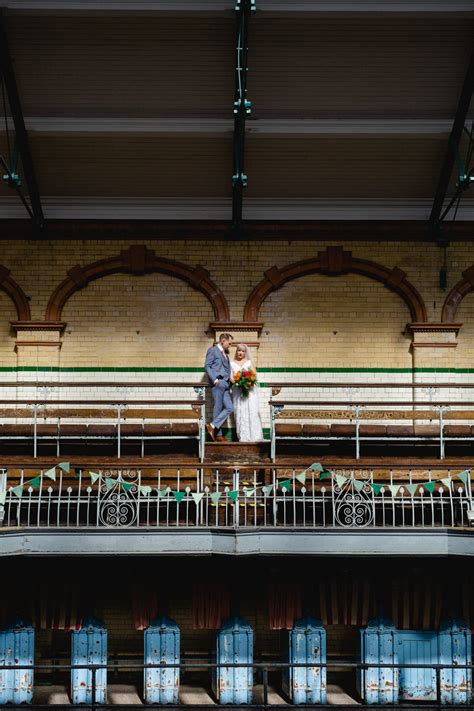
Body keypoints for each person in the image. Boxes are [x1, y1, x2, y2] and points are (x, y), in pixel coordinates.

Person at [204, 333, 234, 443]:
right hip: (218, 383)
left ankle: (212, 425)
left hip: (226, 384)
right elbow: (207, 365)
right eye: (229, 343)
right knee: (218, 407)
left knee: (230, 408)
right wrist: (215, 380)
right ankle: (219, 436)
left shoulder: (225, 354)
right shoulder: (213, 350)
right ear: (223, 341)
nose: (230, 345)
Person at [231, 344, 263, 442]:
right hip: (238, 391)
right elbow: (231, 377)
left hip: (249, 392)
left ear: (245, 353)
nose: (240, 352)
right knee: (240, 412)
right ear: (236, 351)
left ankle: (255, 436)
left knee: (251, 411)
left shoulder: (249, 362)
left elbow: (254, 375)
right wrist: (238, 383)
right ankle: (243, 436)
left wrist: (248, 383)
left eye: (242, 351)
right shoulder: (232, 363)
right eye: (239, 350)